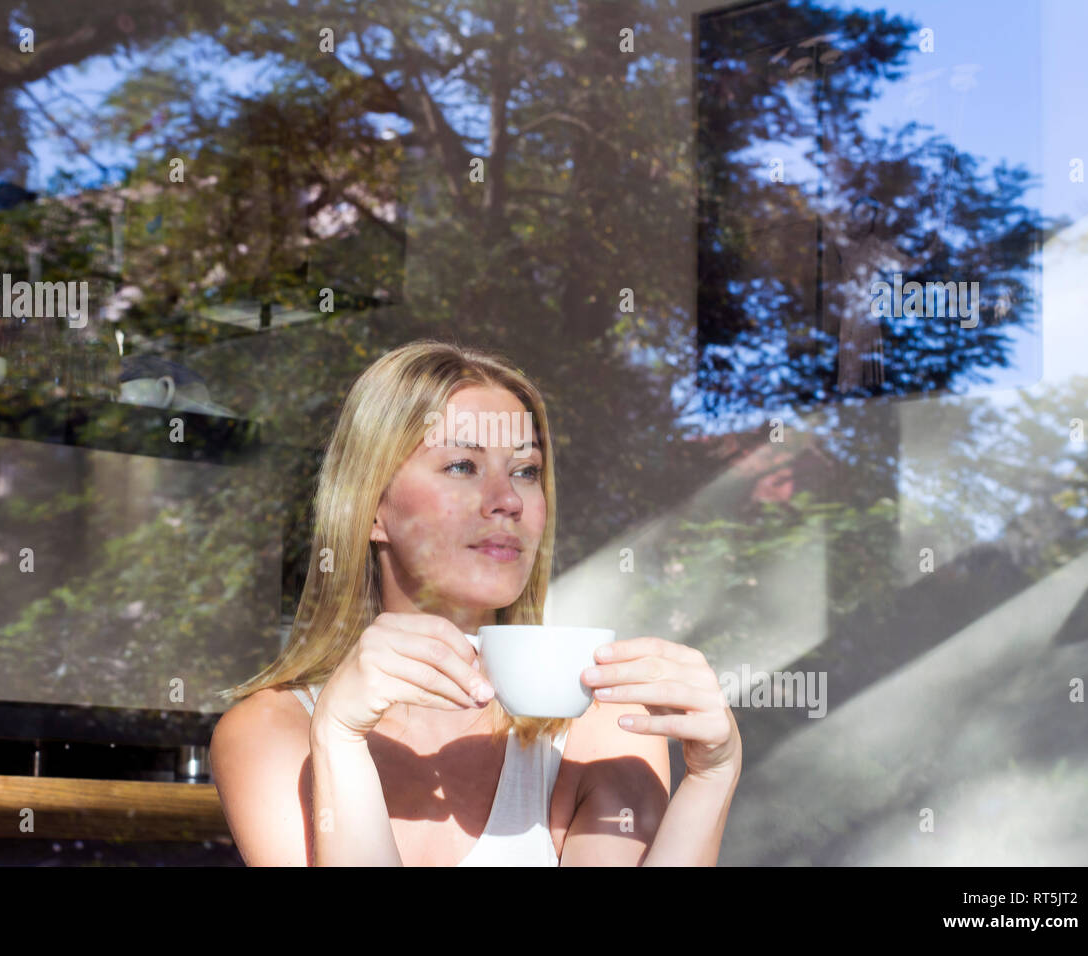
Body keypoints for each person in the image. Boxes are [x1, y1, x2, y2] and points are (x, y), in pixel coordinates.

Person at [211, 339, 741, 865]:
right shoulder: (274, 733)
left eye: (525, 471)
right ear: (372, 509)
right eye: (462, 466)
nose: (508, 500)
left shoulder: (604, 725)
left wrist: (713, 777)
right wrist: (341, 741)